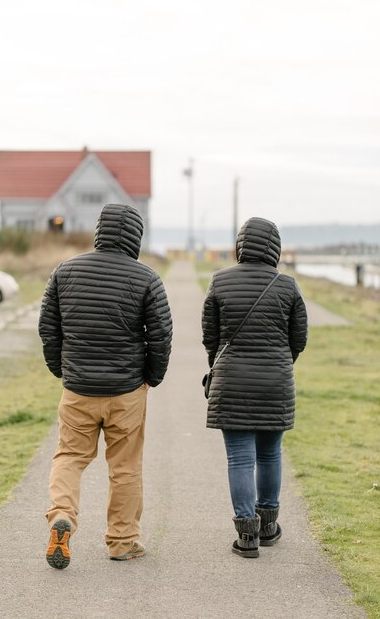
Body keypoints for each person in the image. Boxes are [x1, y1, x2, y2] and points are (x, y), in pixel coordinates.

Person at [39, 203, 172, 568]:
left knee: (69, 456)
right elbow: (160, 336)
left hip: (78, 388)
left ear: (99, 231)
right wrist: (151, 377)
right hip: (126, 391)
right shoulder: (146, 278)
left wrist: (62, 370)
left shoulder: (64, 271)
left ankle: (62, 516)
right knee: (125, 466)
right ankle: (122, 542)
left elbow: (49, 329)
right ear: (135, 236)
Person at [202, 217, 307, 558]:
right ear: (274, 247)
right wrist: (278, 361)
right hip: (275, 381)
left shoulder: (220, 281)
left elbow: (210, 336)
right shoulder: (288, 286)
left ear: (240, 246)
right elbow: (299, 339)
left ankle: (247, 536)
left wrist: (218, 362)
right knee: (270, 454)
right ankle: (269, 526)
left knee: (240, 459)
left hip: (231, 380)